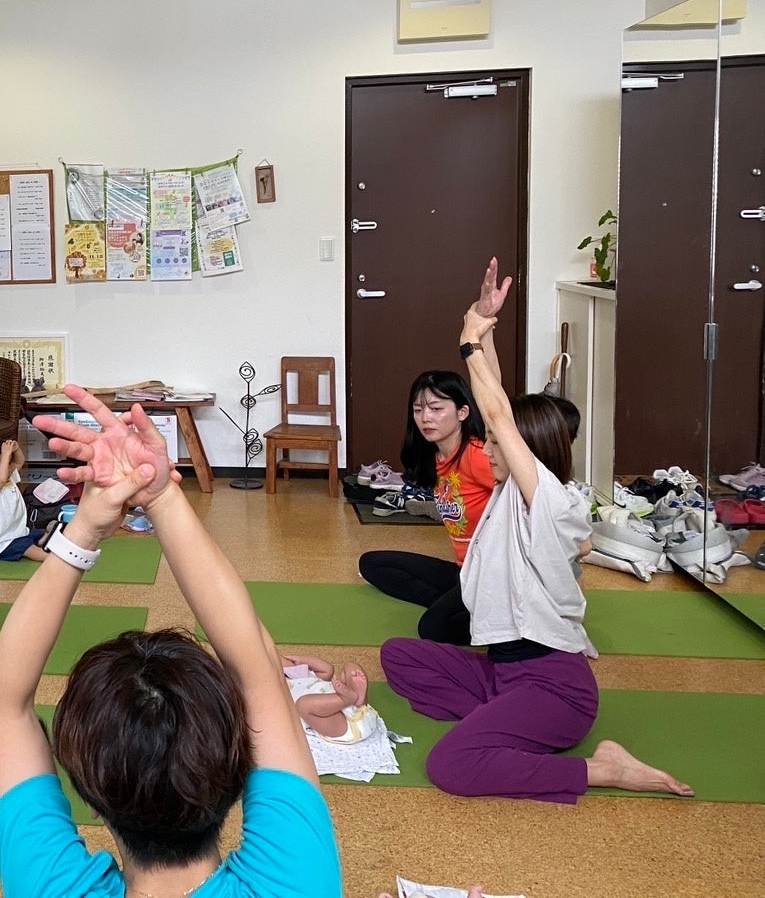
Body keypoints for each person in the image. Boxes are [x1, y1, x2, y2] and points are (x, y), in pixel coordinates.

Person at [0, 385, 341, 898]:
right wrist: (163, 496)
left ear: (88, 790)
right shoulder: (296, 885)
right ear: (240, 761)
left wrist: (84, 530)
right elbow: (258, 669)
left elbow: (1, 699)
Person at [380, 259, 693, 804]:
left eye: (496, 443)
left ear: (526, 451)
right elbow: (498, 402)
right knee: (400, 656)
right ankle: (504, 721)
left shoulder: (549, 501)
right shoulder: (512, 492)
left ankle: (602, 768)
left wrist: (468, 341)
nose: (487, 447)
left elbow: (500, 416)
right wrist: (485, 324)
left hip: (555, 688)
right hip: (504, 671)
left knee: (449, 765)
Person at [358, 369, 495, 645]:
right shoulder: (434, 458)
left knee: (431, 628)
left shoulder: (477, 456)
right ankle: (454, 605)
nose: (425, 418)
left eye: (436, 408)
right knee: (371, 564)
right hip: (464, 571)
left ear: (462, 413)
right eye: (418, 410)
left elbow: (524, 501)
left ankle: (499, 622)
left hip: (490, 576)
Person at [0, 433, 50, 562]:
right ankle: (53, 559)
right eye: (2, 464)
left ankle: (45, 539)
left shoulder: (9, 477)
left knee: (38, 533)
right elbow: (0, 480)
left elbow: (19, 462)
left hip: (18, 532)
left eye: (7, 463)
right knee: (29, 548)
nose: (7, 467)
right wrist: (5, 455)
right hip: (2, 544)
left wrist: (16, 449)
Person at [281, 654, 377, 744]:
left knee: (350, 667)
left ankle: (359, 699)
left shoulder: (302, 676)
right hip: (340, 724)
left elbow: (328, 669)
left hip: (360, 710)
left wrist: (301, 660)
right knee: (303, 705)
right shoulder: (280, 692)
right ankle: (346, 699)